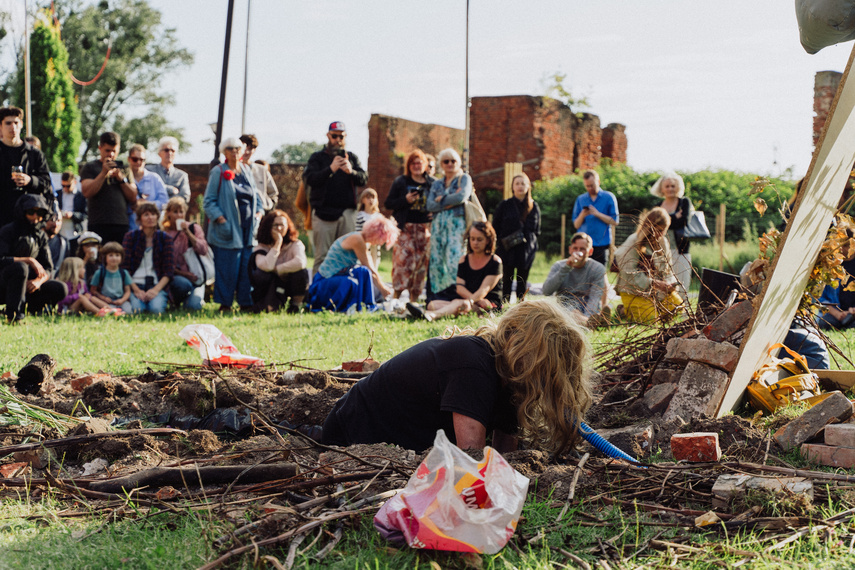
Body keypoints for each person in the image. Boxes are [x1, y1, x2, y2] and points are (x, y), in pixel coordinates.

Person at [313, 297, 593, 454]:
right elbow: (469, 455)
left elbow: (505, 454)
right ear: (522, 347)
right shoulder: (473, 363)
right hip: (349, 436)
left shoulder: (507, 378)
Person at [203, 137, 263, 312]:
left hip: (248, 229)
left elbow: (256, 197)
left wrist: (259, 213)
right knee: (227, 268)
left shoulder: (246, 170)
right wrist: (221, 219)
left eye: (238, 148)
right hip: (228, 230)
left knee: (246, 267)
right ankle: (225, 304)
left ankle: (245, 303)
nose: (235, 151)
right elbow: (208, 202)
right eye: (230, 148)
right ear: (224, 152)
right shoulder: (218, 172)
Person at [305, 121, 368, 275]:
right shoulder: (318, 157)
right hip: (323, 213)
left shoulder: (351, 157)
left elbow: (363, 179)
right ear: (328, 136)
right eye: (334, 136)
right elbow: (310, 180)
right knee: (322, 256)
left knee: (346, 256)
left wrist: (351, 172)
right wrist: (330, 169)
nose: (338, 139)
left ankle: (342, 294)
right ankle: (317, 295)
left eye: (341, 136)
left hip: (347, 213)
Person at [411, 221, 502, 320]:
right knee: (432, 304)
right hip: (469, 300)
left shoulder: (495, 261)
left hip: (487, 303)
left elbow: (484, 290)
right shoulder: (464, 260)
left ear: (488, 240)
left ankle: (432, 315)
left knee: (459, 303)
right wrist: (471, 301)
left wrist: (471, 301)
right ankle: (453, 309)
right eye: (473, 239)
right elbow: (460, 288)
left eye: (479, 239)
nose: (475, 243)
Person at [307, 216, 398, 313]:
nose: (381, 243)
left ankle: (369, 305)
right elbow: (371, 269)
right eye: (382, 239)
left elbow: (369, 269)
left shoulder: (363, 240)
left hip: (337, 277)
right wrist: (383, 290)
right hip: (323, 282)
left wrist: (383, 287)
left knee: (363, 271)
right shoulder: (357, 240)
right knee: (352, 283)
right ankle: (354, 307)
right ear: (377, 234)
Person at [0, 194, 67, 323]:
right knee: (21, 268)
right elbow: (1, 259)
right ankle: (14, 316)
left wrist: (38, 281)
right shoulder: (8, 231)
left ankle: (29, 309)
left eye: (40, 212)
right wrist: (29, 260)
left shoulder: (41, 236)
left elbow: (48, 268)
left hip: (29, 285)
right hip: (6, 283)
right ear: (23, 212)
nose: (36, 217)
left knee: (60, 288)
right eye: (31, 212)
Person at [614, 207, 683, 323]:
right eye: (656, 229)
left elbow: (668, 268)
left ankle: (652, 308)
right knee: (651, 318)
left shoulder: (662, 242)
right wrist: (654, 283)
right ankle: (624, 311)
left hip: (657, 291)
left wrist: (669, 284)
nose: (659, 234)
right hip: (632, 290)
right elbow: (628, 272)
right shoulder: (633, 241)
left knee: (678, 308)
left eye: (662, 231)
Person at [385, 149, 434, 301]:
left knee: (420, 266)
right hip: (405, 228)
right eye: (413, 163)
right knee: (402, 263)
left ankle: (413, 301)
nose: (416, 166)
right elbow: (388, 203)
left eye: (419, 163)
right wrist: (405, 200)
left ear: (425, 165)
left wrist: (435, 211)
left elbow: (440, 201)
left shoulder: (432, 183)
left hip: (424, 229)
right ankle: (396, 299)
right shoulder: (401, 181)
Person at [426, 148, 472, 298]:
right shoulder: (437, 184)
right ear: (441, 164)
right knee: (437, 261)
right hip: (438, 225)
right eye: (446, 161)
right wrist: (450, 200)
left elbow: (461, 196)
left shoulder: (464, 178)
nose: (450, 164)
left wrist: (442, 200)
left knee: (454, 259)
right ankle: (439, 295)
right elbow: (430, 205)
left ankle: (457, 294)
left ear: (458, 163)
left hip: (456, 224)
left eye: (453, 161)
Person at [80, 132, 137, 244]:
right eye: (107, 150)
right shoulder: (90, 167)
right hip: (98, 223)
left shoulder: (124, 168)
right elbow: (86, 192)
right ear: (100, 148)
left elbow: (133, 196)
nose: (111, 154)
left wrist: (121, 179)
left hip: (120, 224)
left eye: (114, 151)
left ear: (119, 149)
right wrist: (103, 173)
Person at [0, 107, 53, 227]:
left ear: (21, 124)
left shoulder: (34, 153)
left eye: (16, 122)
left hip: (28, 219)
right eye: (8, 123)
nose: (12, 127)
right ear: (1, 126)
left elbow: (46, 183)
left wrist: (30, 180)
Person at [248, 210, 309, 313]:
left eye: (282, 225)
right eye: (275, 225)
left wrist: (278, 269)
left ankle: (296, 306)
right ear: (268, 227)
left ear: (288, 226)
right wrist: (277, 244)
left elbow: (301, 262)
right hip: (270, 288)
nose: (279, 228)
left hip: (289, 285)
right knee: (262, 274)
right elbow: (266, 267)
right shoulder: (261, 248)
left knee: (301, 273)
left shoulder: (295, 244)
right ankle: (268, 305)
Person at [493, 172, 540, 304]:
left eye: (523, 183)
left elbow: (536, 230)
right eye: (517, 183)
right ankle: (504, 306)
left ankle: (521, 307)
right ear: (512, 187)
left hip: (525, 251)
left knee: (522, 281)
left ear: (528, 186)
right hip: (507, 250)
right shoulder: (505, 205)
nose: (520, 186)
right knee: (506, 280)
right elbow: (495, 227)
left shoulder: (533, 206)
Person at [121, 201, 174, 314]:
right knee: (137, 310)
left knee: (156, 310)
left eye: (153, 214)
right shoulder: (130, 237)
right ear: (140, 219)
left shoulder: (165, 239)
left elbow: (168, 271)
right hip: (135, 284)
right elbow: (124, 268)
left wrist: (155, 290)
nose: (150, 218)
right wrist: (136, 290)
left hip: (156, 284)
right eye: (146, 215)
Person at [542, 232, 608, 323]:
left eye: (582, 249)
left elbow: (595, 297)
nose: (578, 252)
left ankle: (590, 320)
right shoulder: (559, 266)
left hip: (587, 305)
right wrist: (566, 268)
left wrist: (588, 315)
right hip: (564, 305)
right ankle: (591, 323)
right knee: (571, 311)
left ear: (590, 251)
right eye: (575, 248)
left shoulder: (597, 268)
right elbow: (546, 291)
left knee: (579, 312)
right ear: (570, 250)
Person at [651, 172, 693, 300]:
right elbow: (654, 226)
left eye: (673, 186)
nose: (670, 189)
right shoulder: (658, 206)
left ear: (678, 187)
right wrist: (675, 217)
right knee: (663, 283)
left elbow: (684, 221)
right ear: (662, 188)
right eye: (667, 186)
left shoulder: (684, 202)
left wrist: (666, 220)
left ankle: (683, 312)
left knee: (682, 283)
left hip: (681, 251)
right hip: (661, 252)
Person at [162, 197, 208, 311]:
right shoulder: (164, 233)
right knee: (183, 284)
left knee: (193, 307)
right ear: (168, 213)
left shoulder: (193, 228)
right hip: (178, 277)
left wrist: (187, 233)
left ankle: (193, 299)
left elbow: (203, 250)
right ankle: (175, 301)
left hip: (196, 277)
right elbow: (164, 262)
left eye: (181, 212)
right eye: (175, 212)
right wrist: (184, 274)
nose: (178, 215)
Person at [572, 170, 619, 267]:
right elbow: (576, 224)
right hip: (583, 245)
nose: (590, 188)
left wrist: (597, 214)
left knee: (599, 274)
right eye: (587, 186)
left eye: (592, 185)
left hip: (601, 243)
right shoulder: (581, 199)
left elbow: (615, 221)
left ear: (598, 182)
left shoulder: (609, 197)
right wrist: (583, 214)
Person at [128, 144, 169, 231]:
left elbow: (165, 202)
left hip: (152, 230)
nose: (138, 162)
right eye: (135, 159)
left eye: (142, 160)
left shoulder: (154, 178)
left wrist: (147, 204)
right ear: (129, 159)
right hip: (130, 228)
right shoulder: (123, 179)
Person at [89, 241, 133, 314]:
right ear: (105, 257)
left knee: (128, 311)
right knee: (109, 312)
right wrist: (104, 298)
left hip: (120, 300)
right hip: (106, 301)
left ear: (121, 257)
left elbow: (127, 291)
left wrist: (122, 300)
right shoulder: (100, 273)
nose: (114, 258)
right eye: (111, 255)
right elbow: (93, 290)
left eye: (117, 255)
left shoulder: (124, 273)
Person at [240, 134, 279, 212]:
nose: (246, 152)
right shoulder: (232, 169)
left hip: (261, 212)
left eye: (250, 149)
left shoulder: (262, 170)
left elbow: (273, 193)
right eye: (244, 148)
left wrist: (269, 207)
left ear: (254, 150)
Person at [146, 136, 191, 203]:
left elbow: (185, 198)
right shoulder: (149, 171)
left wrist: (167, 204)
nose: (170, 153)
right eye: (166, 150)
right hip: (153, 211)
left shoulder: (182, 176)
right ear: (159, 153)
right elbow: (146, 190)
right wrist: (170, 189)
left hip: (173, 211)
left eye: (172, 150)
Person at [56, 171, 87, 255]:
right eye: (63, 186)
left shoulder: (81, 196)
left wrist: (72, 215)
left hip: (75, 232)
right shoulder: (57, 194)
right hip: (59, 231)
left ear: (75, 182)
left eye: (68, 186)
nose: (65, 188)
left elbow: (85, 215)